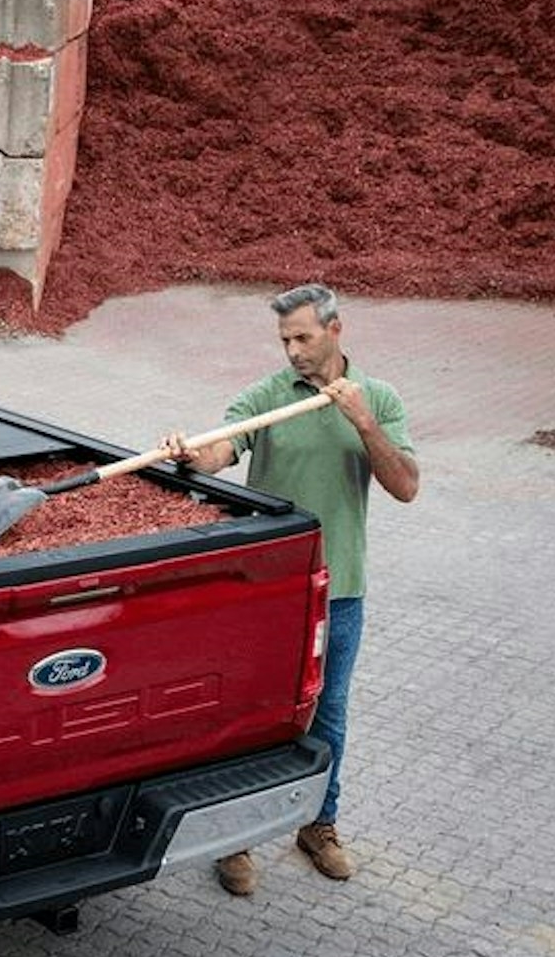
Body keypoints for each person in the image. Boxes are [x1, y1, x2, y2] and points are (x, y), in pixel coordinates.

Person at [162, 283, 419, 897]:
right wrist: (194, 455)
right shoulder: (269, 397)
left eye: (303, 337)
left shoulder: (378, 399)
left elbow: (406, 486)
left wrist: (360, 420)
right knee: (252, 713)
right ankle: (235, 839)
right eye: (285, 340)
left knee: (328, 712)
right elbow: (225, 447)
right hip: (270, 592)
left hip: (341, 590)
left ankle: (318, 824)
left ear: (336, 330)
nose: (294, 352)